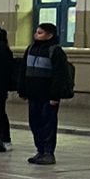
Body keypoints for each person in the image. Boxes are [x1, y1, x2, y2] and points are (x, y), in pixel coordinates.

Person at [18, 22, 72, 166]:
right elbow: (23, 71)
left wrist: (55, 96)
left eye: (40, 33)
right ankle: (40, 150)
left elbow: (60, 75)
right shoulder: (31, 49)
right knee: (34, 123)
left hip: (47, 96)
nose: (36, 35)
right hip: (33, 94)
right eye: (36, 32)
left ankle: (48, 152)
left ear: (50, 35)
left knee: (48, 123)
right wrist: (22, 90)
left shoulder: (55, 51)